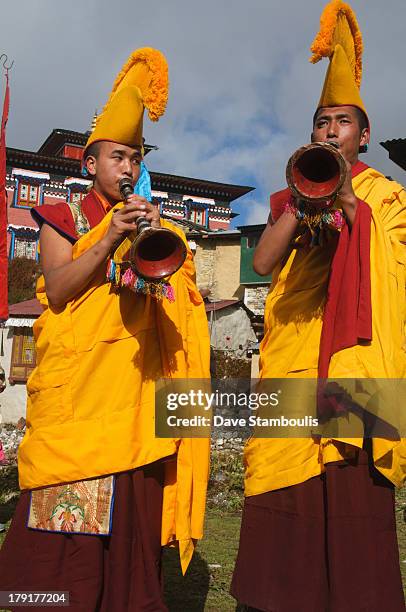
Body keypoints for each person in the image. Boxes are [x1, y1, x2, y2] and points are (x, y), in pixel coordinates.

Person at [0, 48, 210, 611]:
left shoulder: (153, 227)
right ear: (90, 164)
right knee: (58, 550)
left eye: (134, 157)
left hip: (131, 400)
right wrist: (111, 236)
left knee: (128, 541)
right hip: (78, 398)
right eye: (116, 156)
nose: (126, 166)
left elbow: (174, 301)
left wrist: (159, 245)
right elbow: (63, 289)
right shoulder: (61, 218)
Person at [231, 2, 406, 611]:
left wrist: (351, 206)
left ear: (363, 133)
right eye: (321, 122)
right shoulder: (294, 190)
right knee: (286, 482)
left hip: (356, 358)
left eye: (343, 121)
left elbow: (389, 261)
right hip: (296, 354)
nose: (331, 131)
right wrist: (302, 203)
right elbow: (263, 264)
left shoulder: (386, 197)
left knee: (350, 490)